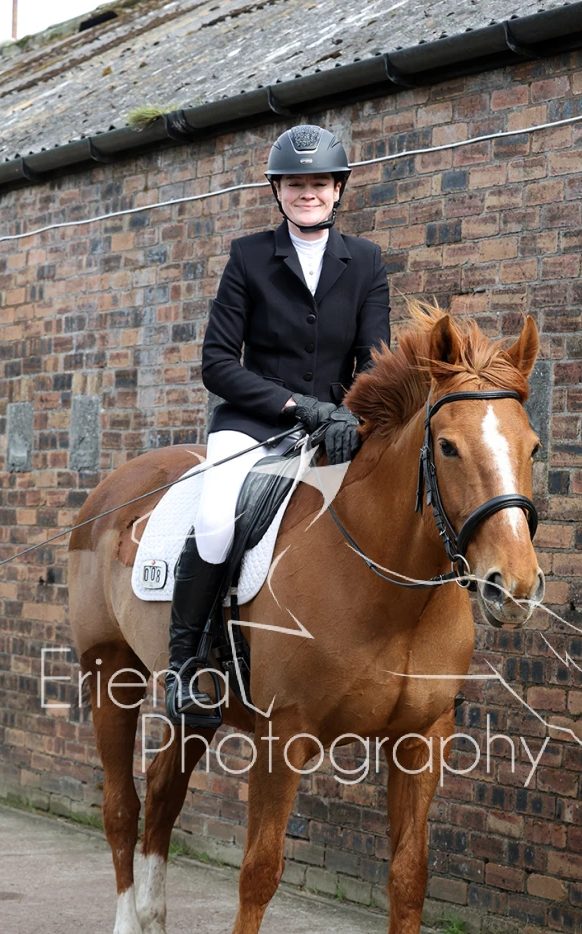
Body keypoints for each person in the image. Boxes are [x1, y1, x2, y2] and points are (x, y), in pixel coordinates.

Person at [165, 124, 391, 725]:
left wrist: (350, 412)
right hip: (252, 425)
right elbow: (218, 364)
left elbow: (375, 360)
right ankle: (184, 667)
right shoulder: (248, 257)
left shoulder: (366, 261)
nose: (307, 193)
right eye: (295, 184)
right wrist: (297, 405)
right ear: (278, 191)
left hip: (333, 428)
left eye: (319, 183)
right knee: (216, 520)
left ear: (337, 190)